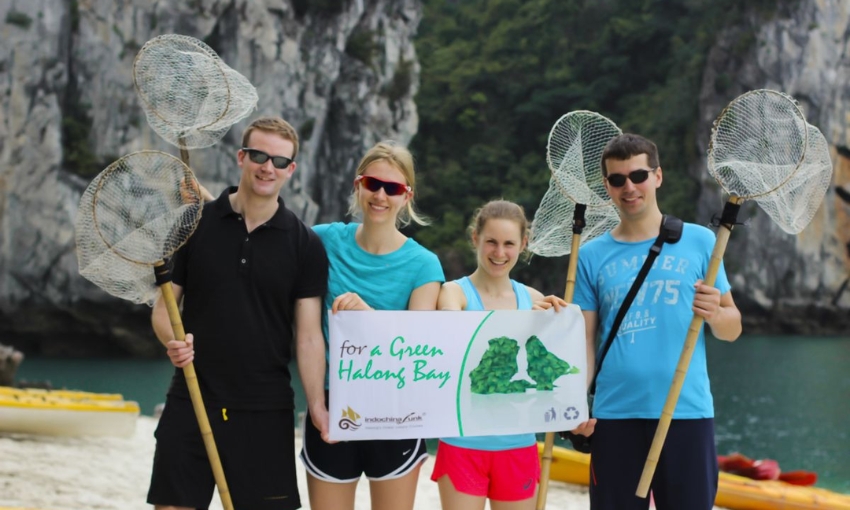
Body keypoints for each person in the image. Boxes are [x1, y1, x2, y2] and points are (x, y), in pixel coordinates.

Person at [147, 116, 330, 510]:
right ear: (242, 157)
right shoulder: (193, 224)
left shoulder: (306, 244)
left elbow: (309, 336)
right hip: (192, 396)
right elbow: (164, 309)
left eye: (279, 161)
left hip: (265, 409)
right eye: (259, 156)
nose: (268, 168)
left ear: (291, 170)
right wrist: (173, 341)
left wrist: (316, 404)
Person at [573, 133, 742, 510]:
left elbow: (733, 328)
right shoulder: (590, 256)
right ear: (607, 186)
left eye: (639, 176)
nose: (629, 187)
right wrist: (574, 405)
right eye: (618, 179)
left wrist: (716, 313)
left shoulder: (701, 242)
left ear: (658, 176)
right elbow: (584, 342)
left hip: (687, 411)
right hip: (615, 415)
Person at [299, 141, 445, 510]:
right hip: (332, 404)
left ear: (406, 196)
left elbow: (417, 350)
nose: (380, 195)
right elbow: (269, 243)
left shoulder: (424, 265)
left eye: (392, 188)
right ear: (358, 185)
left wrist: (368, 315)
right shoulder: (322, 240)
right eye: (372, 184)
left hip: (395, 407)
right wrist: (316, 406)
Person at [431, 199, 587, 510]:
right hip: (462, 444)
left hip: (519, 446)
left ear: (523, 244)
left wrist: (572, 412)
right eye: (491, 241)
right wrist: (523, 322)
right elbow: (452, 337)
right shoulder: (454, 294)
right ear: (475, 238)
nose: (499, 253)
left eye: (509, 244)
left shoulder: (534, 299)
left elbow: (549, 372)